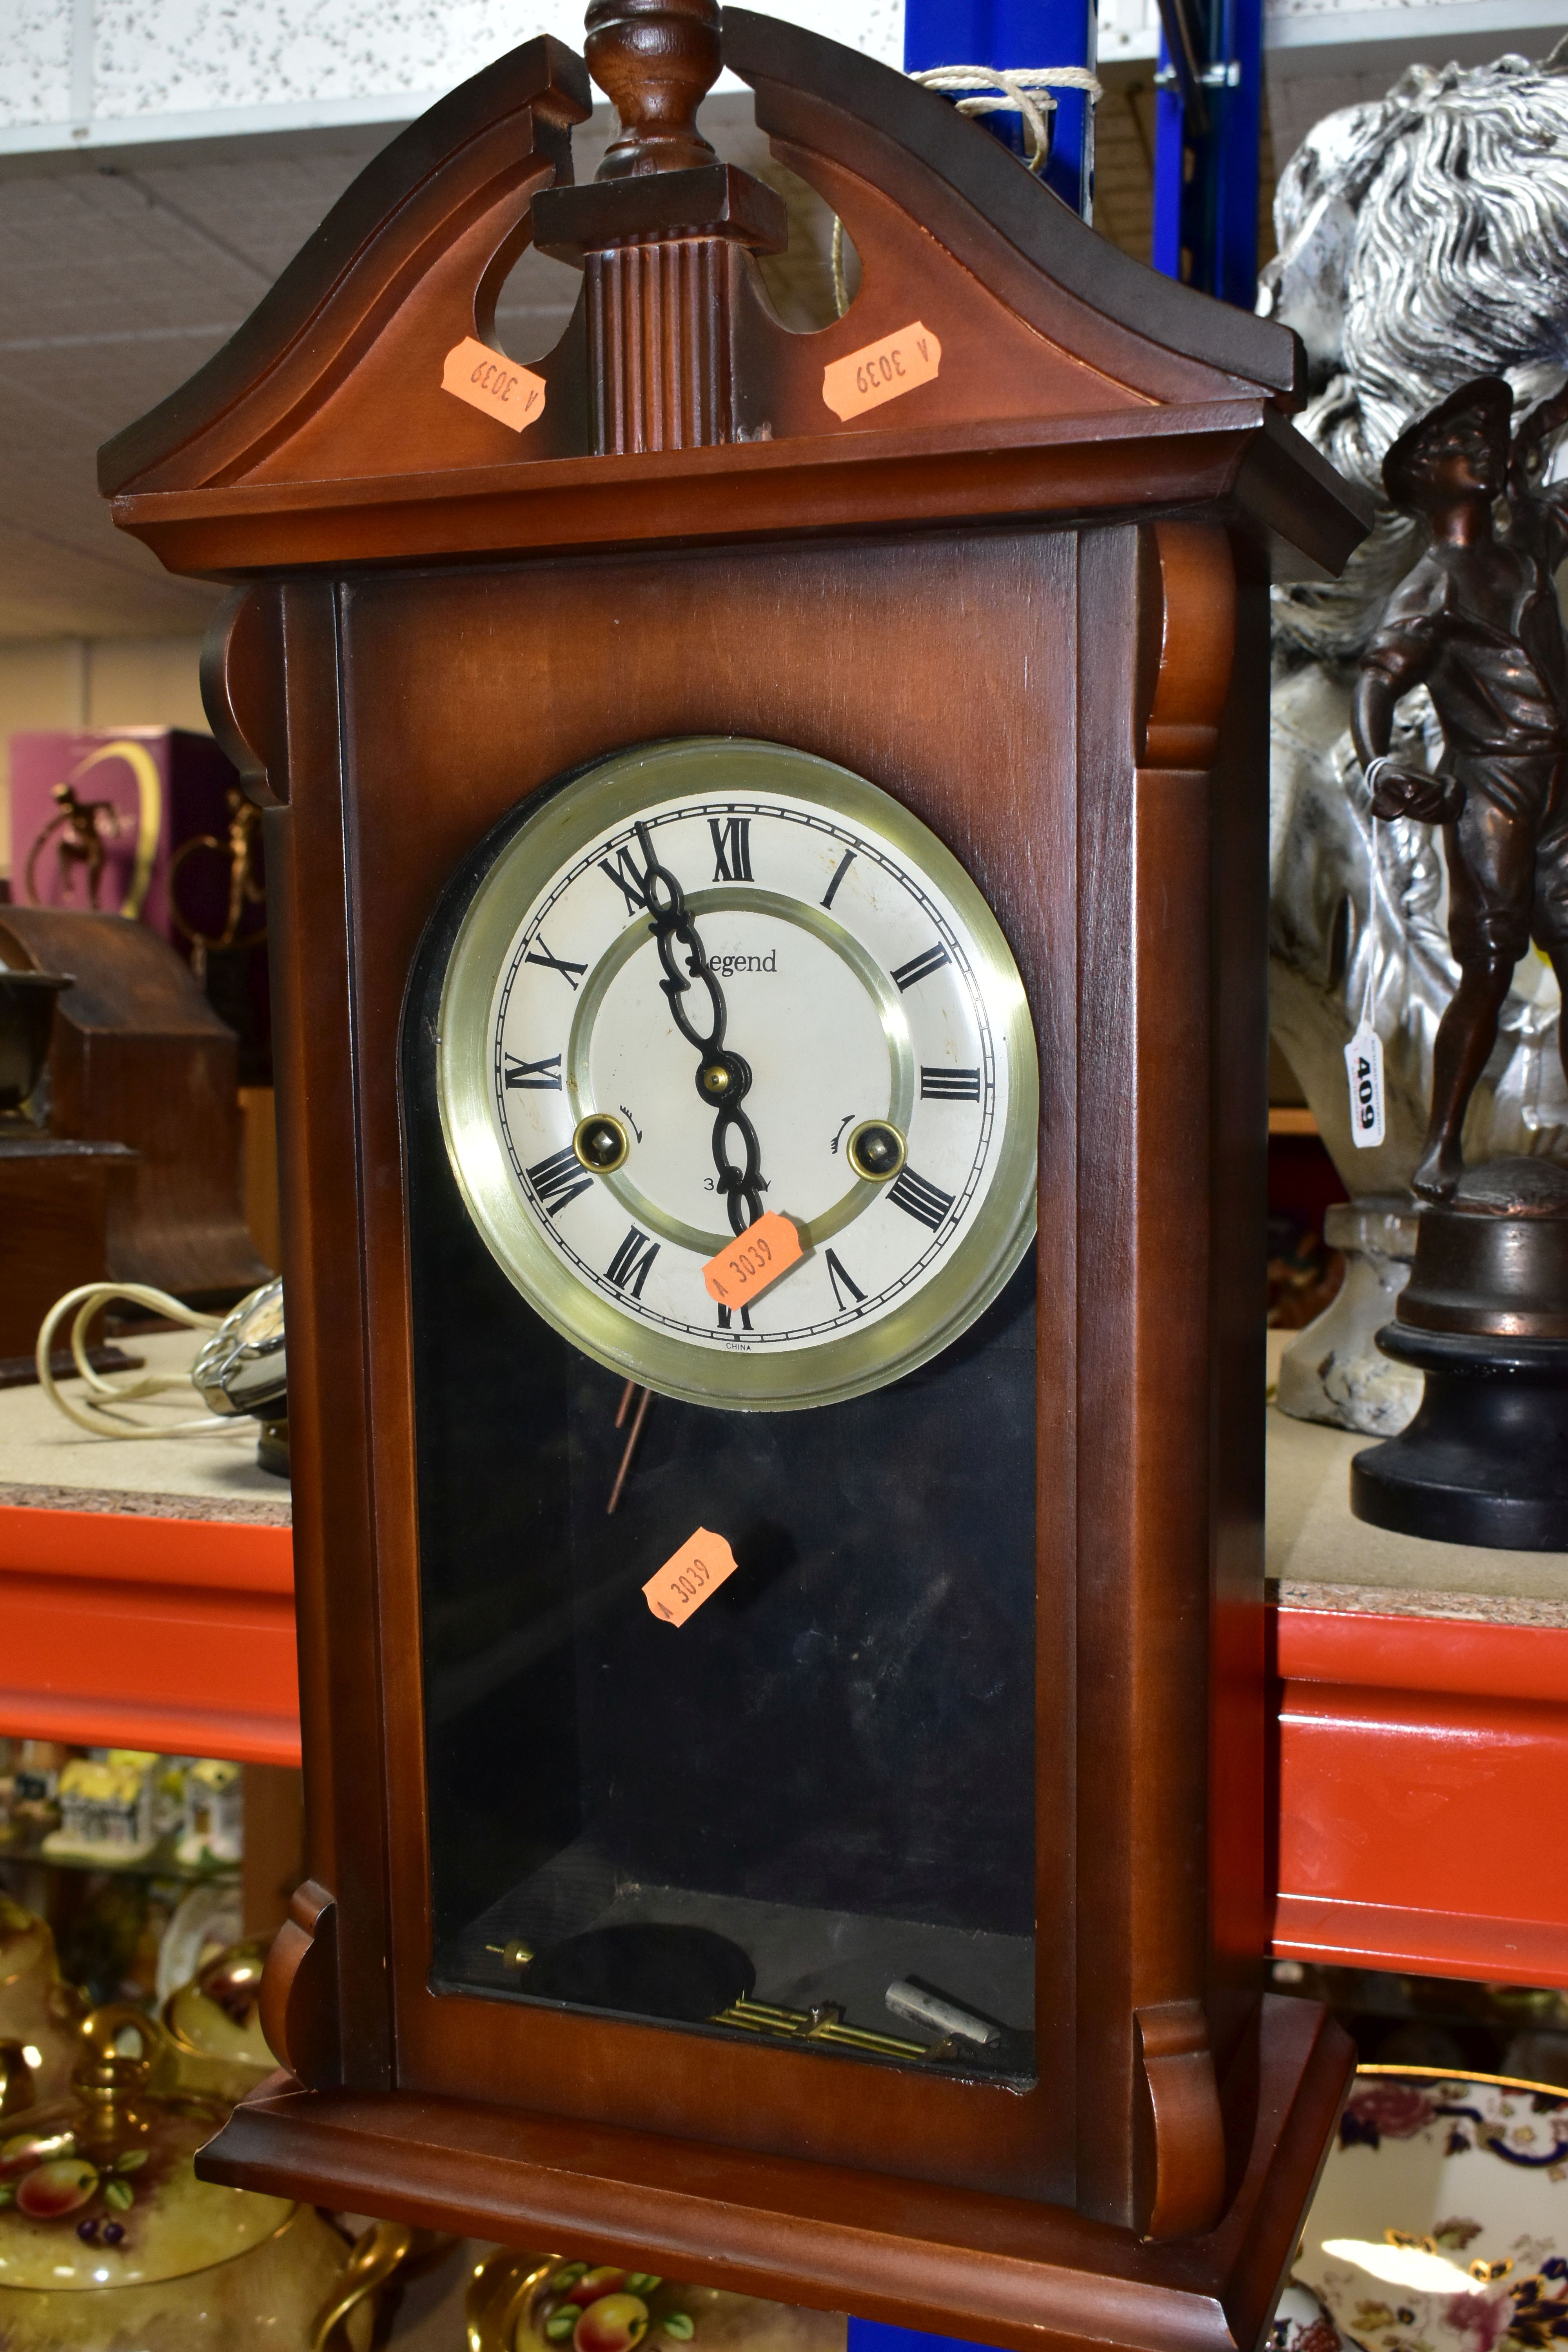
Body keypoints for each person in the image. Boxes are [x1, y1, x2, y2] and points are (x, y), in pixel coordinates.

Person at [1352, 375, 1568, 1200]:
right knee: (1488, 961)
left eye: (1486, 438)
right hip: (1493, 794)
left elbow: (1543, 486)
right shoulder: (1431, 583)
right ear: (1421, 476)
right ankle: (1439, 1143)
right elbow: (1376, 680)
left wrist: (1546, 417)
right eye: (1457, 443)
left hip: (1558, 790)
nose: (1480, 449)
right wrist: (1378, 764)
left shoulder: (1523, 549)